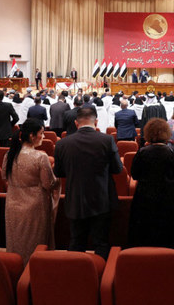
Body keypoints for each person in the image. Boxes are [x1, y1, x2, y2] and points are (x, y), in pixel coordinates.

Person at [54, 107, 123, 259]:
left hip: (75, 198)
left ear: (76, 123)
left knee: (76, 242)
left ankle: (77, 278)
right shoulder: (106, 140)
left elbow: (58, 172)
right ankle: (101, 277)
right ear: (96, 122)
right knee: (101, 243)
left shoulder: (63, 144)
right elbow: (118, 169)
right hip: (101, 198)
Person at [3, 118, 59, 264]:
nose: (44, 136)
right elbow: (48, 184)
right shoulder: (40, 156)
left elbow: (4, 177)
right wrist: (58, 178)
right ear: (32, 136)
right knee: (35, 243)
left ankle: (15, 270)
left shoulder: (9, 155)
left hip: (13, 203)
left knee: (16, 241)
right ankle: (34, 274)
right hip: (35, 205)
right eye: (42, 133)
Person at [128, 118, 174, 249]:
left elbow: (135, 174)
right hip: (169, 196)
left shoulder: (142, 152)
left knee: (146, 230)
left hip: (145, 196)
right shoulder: (173, 153)